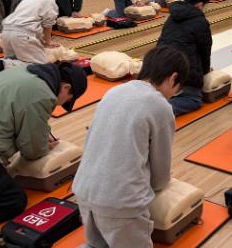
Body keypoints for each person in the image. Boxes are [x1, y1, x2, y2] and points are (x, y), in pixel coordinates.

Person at [72, 47, 189, 248]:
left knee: (96, 245)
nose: (174, 95)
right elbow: (160, 178)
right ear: (173, 78)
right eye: (178, 89)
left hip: (84, 190)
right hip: (120, 202)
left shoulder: (114, 91)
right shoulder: (160, 106)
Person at [0, 62, 87, 238]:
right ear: (66, 88)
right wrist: (42, 143)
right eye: (67, 100)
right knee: (12, 200)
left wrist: (38, 132)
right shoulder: (42, 94)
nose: (59, 105)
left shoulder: (23, 72)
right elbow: (32, 151)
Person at [157, 0, 212, 116]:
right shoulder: (200, 21)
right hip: (182, 74)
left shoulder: (172, 17)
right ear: (200, 4)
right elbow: (205, 51)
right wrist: (205, 71)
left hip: (160, 70)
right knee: (194, 99)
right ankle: (158, 111)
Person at [1, 0, 60, 64]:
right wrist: (47, 42)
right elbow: (48, 25)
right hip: (22, 34)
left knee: (11, 63)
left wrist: (41, 41)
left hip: (6, 33)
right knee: (38, 65)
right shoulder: (49, 1)